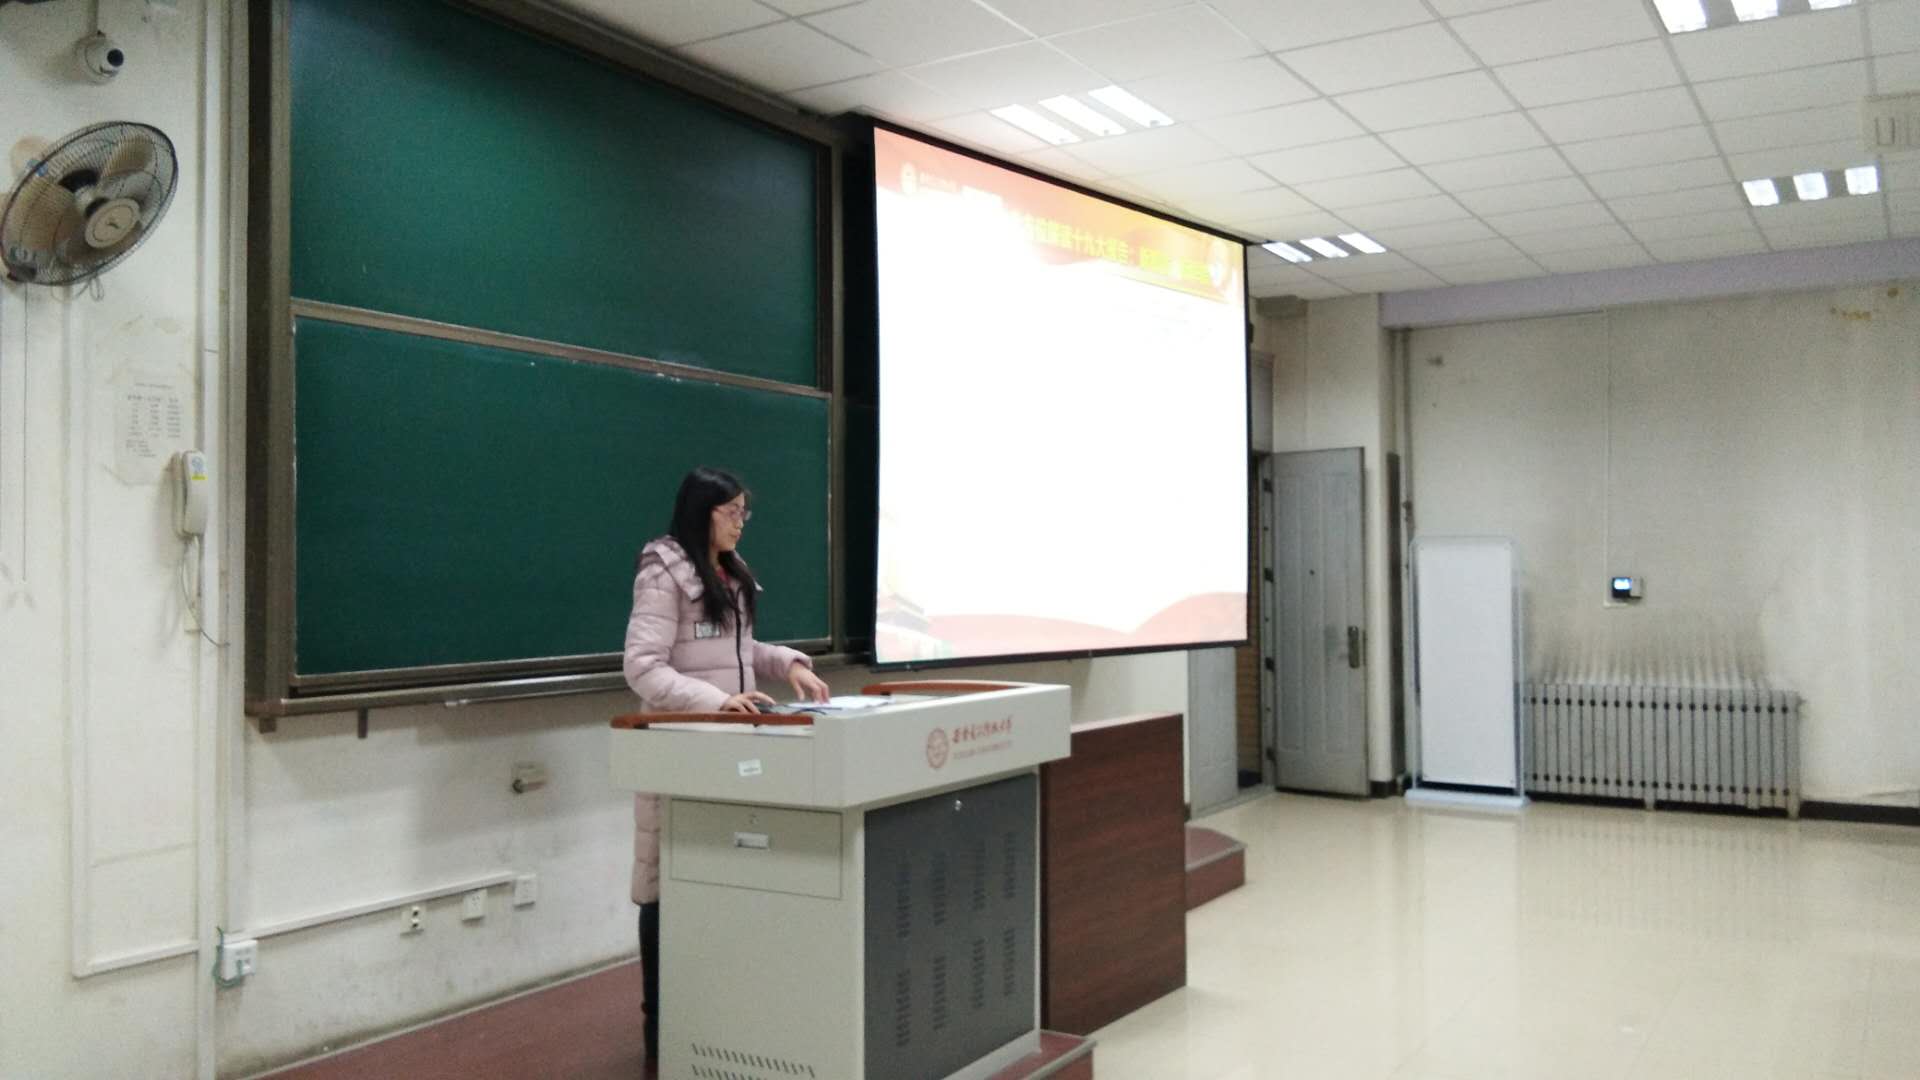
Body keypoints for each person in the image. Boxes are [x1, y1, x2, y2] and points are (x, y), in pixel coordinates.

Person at [621, 465, 830, 1062]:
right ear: (702, 512)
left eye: (744, 512)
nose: (741, 523)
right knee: (663, 887)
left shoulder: (729, 572)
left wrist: (787, 663)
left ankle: (718, 1023)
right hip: (681, 754)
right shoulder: (663, 573)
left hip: (729, 754)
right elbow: (642, 666)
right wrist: (716, 702)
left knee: (720, 885)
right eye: (732, 512)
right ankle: (661, 1033)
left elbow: (735, 651)